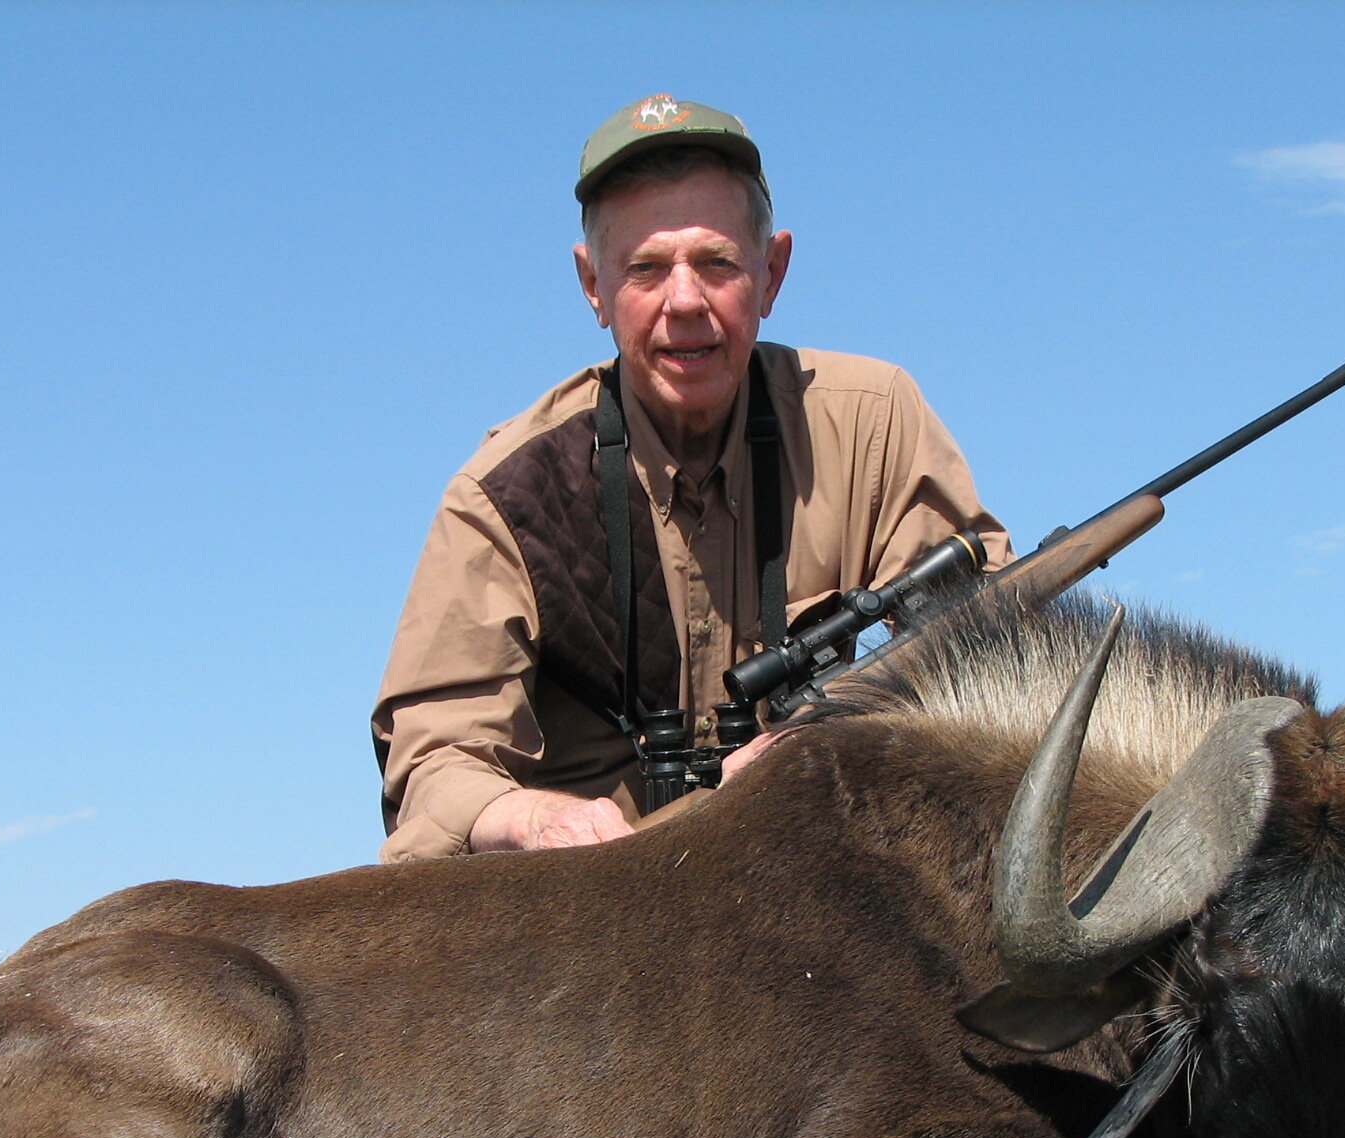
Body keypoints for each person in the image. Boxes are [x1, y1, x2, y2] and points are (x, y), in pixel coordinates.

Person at [373, 96, 1010, 860]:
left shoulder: (877, 423)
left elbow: (993, 655)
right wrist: (537, 821)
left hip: (829, 871)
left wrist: (822, 733)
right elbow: (435, 765)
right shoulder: (503, 497)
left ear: (770, 273)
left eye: (717, 263)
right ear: (592, 287)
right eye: (645, 269)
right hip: (599, 906)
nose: (685, 302)